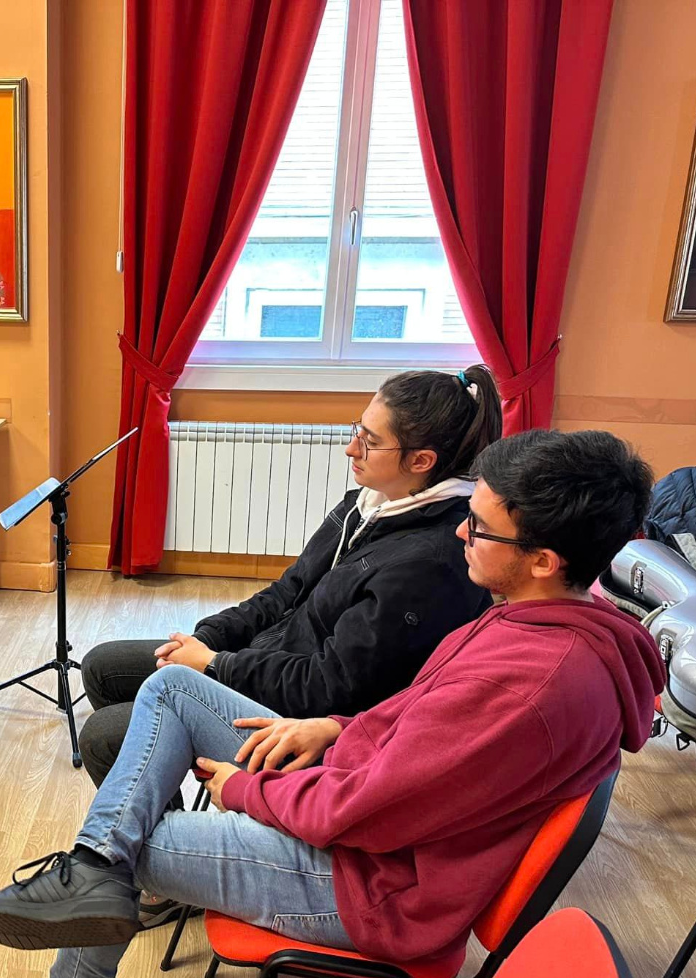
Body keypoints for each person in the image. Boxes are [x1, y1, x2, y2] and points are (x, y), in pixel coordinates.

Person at [0, 429, 663, 978]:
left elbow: (368, 810)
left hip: (373, 885)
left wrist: (247, 790)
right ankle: (90, 873)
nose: (460, 532)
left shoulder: (529, 684)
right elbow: (422, 725)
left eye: (479, 527)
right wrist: (338, 727)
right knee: (171, 688)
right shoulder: (544, 616)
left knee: (131, 844)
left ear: (543, 559)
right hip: (366, 814)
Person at [80, 366, 502, 926]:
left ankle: (161, 865)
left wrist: (217, 667)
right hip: (270, 662)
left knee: (104, 733)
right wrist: (210, 638)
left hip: (305, 716)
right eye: (357, 429)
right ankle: (161, 822)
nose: (351, 447)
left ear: (421, 461)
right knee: (103, 668)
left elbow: (330, 688)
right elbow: (287, 592)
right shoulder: (367, 504)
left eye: (369, 440)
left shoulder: (429, 563)